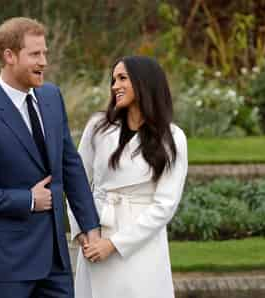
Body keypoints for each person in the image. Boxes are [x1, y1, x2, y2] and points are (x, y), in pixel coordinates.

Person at [0, 17, 100, 298]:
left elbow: (70, 166)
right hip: (9, 266)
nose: (43, 61)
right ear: (9, 56)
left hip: (56, 262)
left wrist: (89, 224)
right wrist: (28, 200)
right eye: (35, 54)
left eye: (44, 53)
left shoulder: (52, 97)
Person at [68, 56, 188, 298]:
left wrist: (113, 245)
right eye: (114, 80)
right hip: (95, 234)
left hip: (139, 245)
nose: (114, 86)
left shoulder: (173, 138)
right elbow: (76, 180)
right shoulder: (98, 126)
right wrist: (82, 231)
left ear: (144, 83)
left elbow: (164, 205)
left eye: (122, 78)